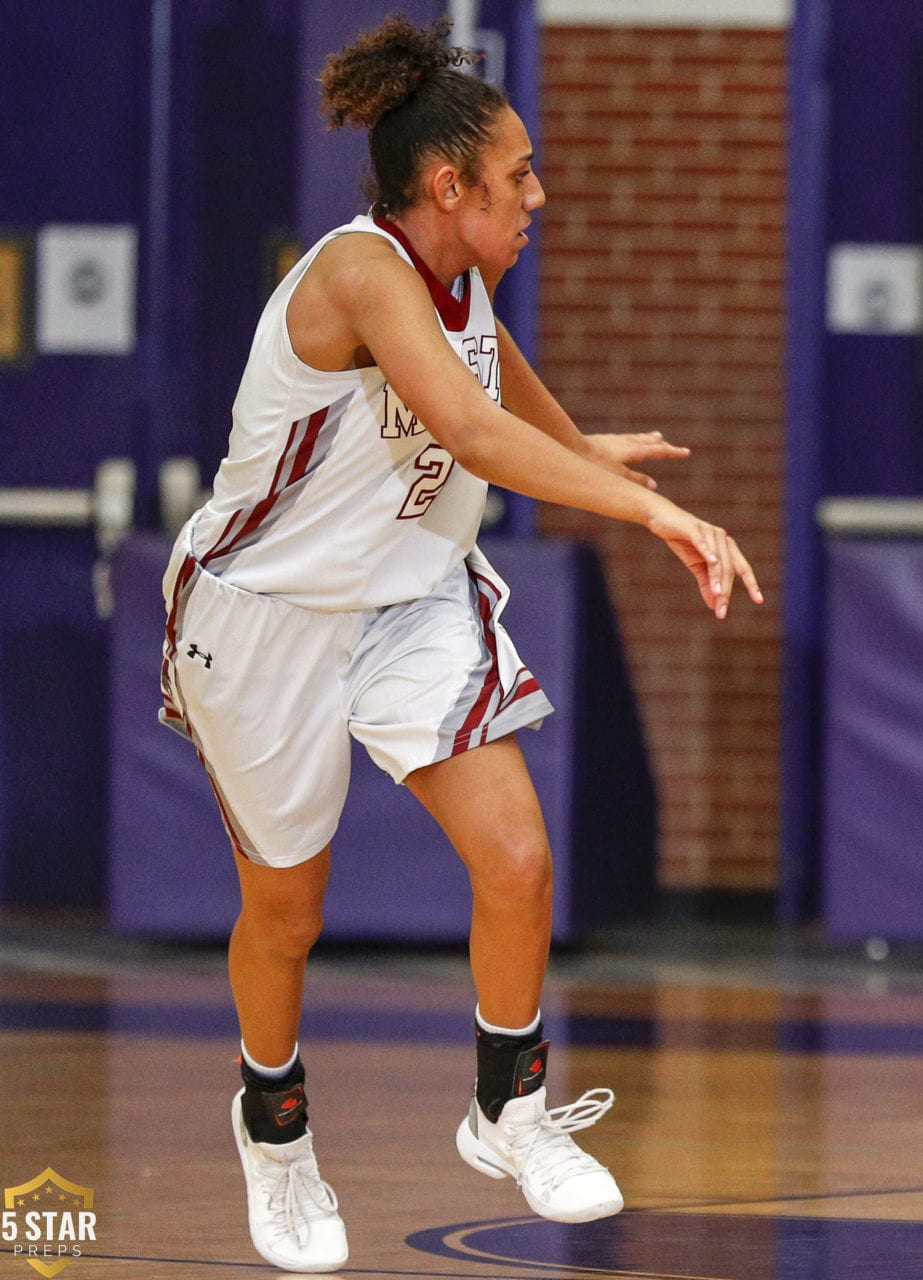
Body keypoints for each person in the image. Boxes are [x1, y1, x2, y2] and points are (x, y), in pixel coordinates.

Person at [157, 17, 759, 1273]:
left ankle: (510, 1108)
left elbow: (495, 387)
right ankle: (275, 1129)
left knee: (520, 855)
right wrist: (649, 510)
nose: (539, 193)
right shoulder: (359, 272)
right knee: (287, 910)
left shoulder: (458, 275)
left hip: (409, 597)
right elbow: (475, 439)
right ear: (448, 186)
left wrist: (586, 446)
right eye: (521, 173)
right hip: (264, 616)